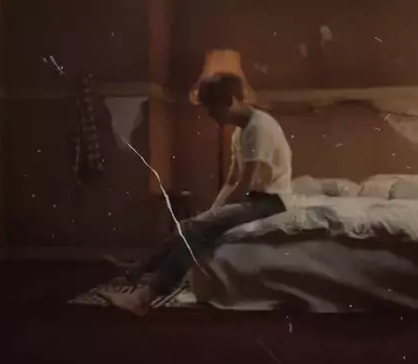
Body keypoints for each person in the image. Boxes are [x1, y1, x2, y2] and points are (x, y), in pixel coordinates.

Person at [99, 72, 293, 316]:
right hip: (253, 200)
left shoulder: (259, 128)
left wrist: (211, 218)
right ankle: (137, 271)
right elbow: (231, 181)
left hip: (269, 203)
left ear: (229, 101)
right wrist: (213, 211)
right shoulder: (240, 132)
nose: (209, 114)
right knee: (191, 225)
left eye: (212, 107)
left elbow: (244, 185)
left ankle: (142, 298)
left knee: (195, 228)